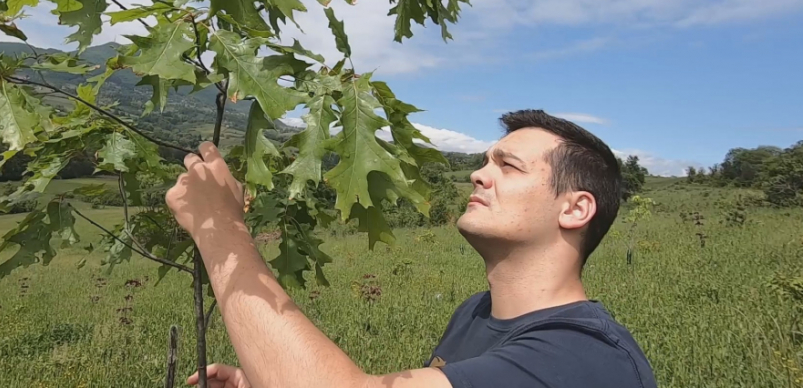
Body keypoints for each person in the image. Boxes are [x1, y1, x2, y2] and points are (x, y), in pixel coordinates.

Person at [166, 110, 657, 388]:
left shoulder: (585, 360)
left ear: (575, 209)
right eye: (484, 160)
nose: (478, 173)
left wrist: (220, 231)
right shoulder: (477, 314)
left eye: (507, 166)